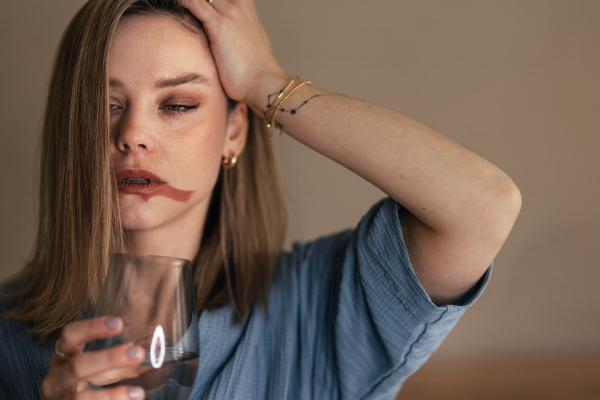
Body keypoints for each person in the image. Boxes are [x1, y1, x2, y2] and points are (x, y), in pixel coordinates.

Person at [0, 0, 521, 399]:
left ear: (233, 132)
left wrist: (264, 80)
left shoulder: (316, 311)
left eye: (177, 104)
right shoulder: (7, 337)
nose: (133, 133)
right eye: (104, 104)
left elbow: (484, 206)